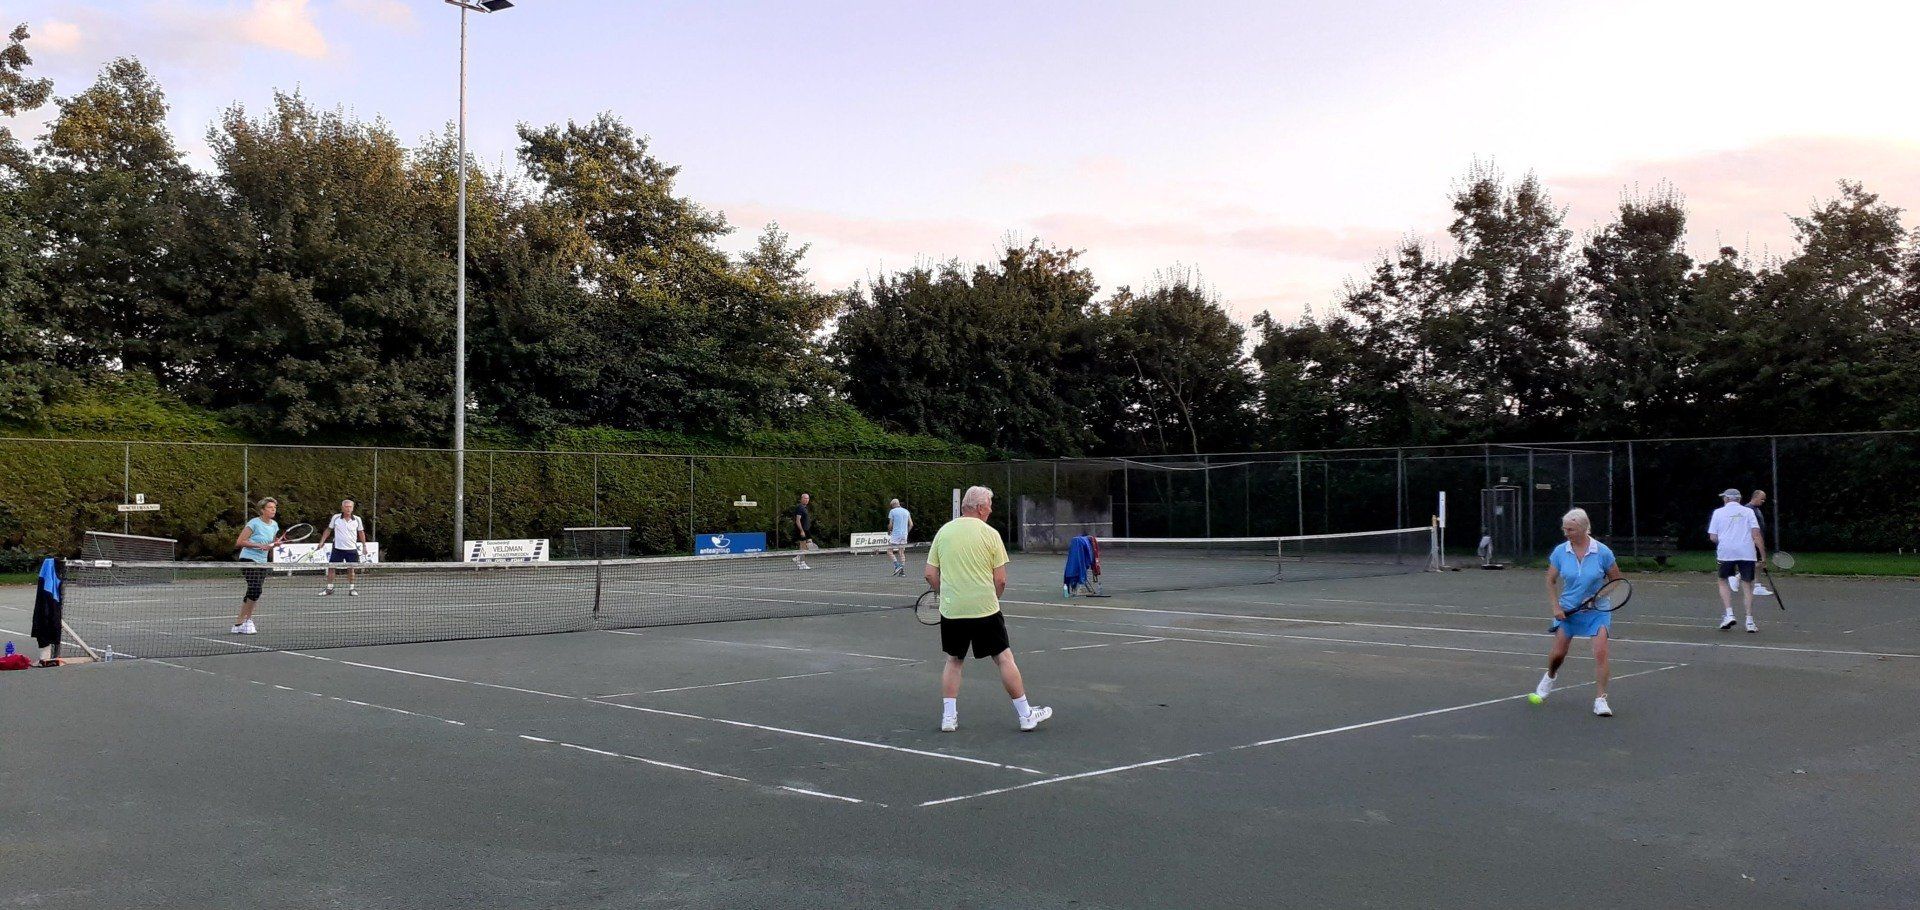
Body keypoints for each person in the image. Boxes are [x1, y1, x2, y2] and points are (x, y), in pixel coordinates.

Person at [925, 486, 1051, 733]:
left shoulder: (944, 532)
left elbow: (930, 574)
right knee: (1004, 658)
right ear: (981, 508)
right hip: (986, 610)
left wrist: (945, 594)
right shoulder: (991, 534)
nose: (991, 510)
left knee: (954, 660)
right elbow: (1001, 580)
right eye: (990, 506)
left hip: (953, 611)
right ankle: (1026, 715)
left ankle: (948, 718)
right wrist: (992, 599)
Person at [1534, 508, 1624, 717]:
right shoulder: (1560, 552)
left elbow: (1617, 581)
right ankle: (1550, 676)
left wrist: (1596, 598)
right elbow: (1550, 580)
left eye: (1571, 529)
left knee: (1601, 652)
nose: (1566, 533)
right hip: (1569, 610)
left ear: (1584, 528)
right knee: (1558, 655)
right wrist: (1556, 607)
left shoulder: (1602, 552)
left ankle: (1601, 700)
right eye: (1565, 529)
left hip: (1598, 611)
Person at [1708, 488, 1766, 632]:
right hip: (1747, 552)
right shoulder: (1749, 512)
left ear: (1726, 499)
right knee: (1747, 585)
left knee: (1722, 581)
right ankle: (1749, 621)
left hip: (1726, 553)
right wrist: (1763, 556)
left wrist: (1724, 541)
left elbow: (1713, 537)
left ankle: (1729, 614)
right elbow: (1756, 535)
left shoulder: (1718, 512)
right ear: (1739, 499)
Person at [231, 497, 287, 635]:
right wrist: (259, 545)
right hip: (248, 559)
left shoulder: (274, 525)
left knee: (253, 591)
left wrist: (275, 544)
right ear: (262, 510)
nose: (273, 510)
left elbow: (270, 543)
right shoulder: (254, 523)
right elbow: (240, 542)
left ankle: (239, 623)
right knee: (256, 589)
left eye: (274, 507)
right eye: (270, 507)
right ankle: (246, 621)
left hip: (262, 562)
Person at [315, 499, 366, 596]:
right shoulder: (336, 517)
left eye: (350, 507)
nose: (348, 509)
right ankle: (329, 588)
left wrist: (364, 546)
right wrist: (321, 542)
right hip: (337, 549)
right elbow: (329, 530)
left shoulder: (357, 519)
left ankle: (352, 589)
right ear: (342, 508)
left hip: (351, 549)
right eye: (346, 507)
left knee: (351, 569)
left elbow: (361, 532)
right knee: (331, 568)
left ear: (353, 508)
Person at [1734, 490, 1773, 598]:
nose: (1763, 501)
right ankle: (1738, 577)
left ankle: (1756, 585)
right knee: (1757, 563)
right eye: (1762, 498)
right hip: (1752, 541)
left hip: (1758, 540)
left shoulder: (1756, 509)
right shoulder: (1747, 509)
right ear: (1755, 497)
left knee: (1758, 563)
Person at [886, 498, 913, 577]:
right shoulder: (906, 511)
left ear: (893, 505)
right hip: (904, 534)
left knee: (889, 551)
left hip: (896, 534)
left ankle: (897, 565)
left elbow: (890, 524)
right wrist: (906, 532)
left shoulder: (892, 511)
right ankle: (902, 572)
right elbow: (911, 524)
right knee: (901, 552)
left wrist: (889, 531)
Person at [791, 492, 816, 569]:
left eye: (807, 498)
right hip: (802, 530)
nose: (806, 500)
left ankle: (798, 557)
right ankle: (802, 563)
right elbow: (797, 520)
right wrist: (801, 531)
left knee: (808, 545)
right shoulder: (800, 507)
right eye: (805, 498)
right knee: (803, 547)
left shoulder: (805, 508)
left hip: (807, 530)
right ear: (801, 499)